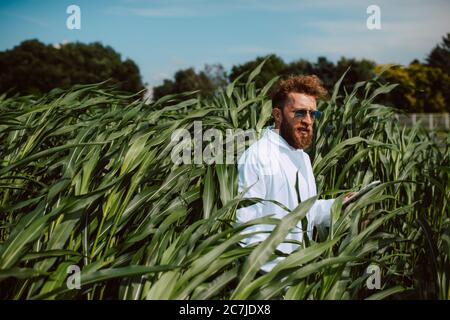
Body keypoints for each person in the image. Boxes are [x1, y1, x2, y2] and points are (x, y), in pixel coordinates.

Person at [236, 75, 353, 272]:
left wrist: (337, 206)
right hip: (269, 278)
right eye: (299, 113)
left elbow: (307, 211)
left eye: (312, 114)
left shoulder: (302, 157)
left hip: (298, 271)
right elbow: (247, 226)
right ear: (278, 115)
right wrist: (264, 279)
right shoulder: (258, 156)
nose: (308, 121)